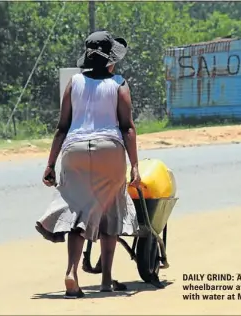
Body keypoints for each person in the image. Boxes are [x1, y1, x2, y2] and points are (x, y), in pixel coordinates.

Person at [35, 31, 141, 299]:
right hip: (109, 150)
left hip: (75, 151)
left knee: (77, 211)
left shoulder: (74, 82)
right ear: (111, 62)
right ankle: (106, 279)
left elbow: (62, 128)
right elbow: (128, 127)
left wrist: (50, 164)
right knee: (111, 209)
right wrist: (135, 166)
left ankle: (72, 272)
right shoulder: (119, 83)